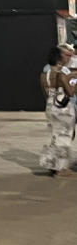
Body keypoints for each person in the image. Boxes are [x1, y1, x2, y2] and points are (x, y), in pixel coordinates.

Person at [41, 45, 75, 176]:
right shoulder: (63, 72)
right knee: (64, 138)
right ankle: (60, 168)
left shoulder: (45, 73)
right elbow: (70, 92)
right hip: (63, 106)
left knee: (55, 136)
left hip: (50, 105)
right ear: (60, 58)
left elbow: (45, 92)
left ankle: (51, 164)